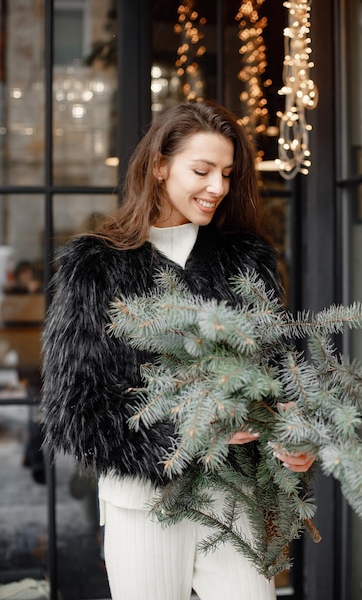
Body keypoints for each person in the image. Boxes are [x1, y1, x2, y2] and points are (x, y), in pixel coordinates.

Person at [41, 100, 315, 600]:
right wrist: (186, 431)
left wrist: (294, 429)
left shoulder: (246, 260)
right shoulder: (95, 267)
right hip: (143, 504)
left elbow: (284, 368)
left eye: (228, 174)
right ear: (160, 167)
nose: (218, 188)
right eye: (202, 170)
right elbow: (74, 410)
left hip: (235, 499)